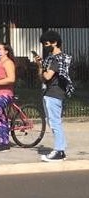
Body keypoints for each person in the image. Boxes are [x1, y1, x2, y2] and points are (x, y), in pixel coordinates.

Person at [36, 30, 71, 162]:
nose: (45, 46)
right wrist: (40, 66)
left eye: (46, 43)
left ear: (55, 42)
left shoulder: (57, 59)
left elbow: (47, 76)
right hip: (51, 93)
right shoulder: (53, 59)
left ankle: (59, 151)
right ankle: (60, 149)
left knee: (55, 122)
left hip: (54, 94)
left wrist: (40, 66)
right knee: (53, 122)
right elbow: (43, 78)